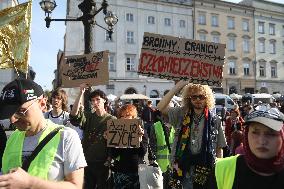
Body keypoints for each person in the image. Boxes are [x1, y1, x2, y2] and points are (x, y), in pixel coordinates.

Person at [0, 79, 86, 189]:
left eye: (20, 111)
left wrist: (31, 183)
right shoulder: (13, 138)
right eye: (8, 113)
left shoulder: (67, 137)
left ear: (42, 103)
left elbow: (76, 186)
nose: (12, 120)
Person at [157, 81, 226, 189]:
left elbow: (219, 147)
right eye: (194, 97)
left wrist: (219, 169)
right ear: (189, 99)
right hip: (182, 170)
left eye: (201, 97)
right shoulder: (181, 114)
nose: (198, 100)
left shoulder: (215, 120)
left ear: (207, 98)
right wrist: (177, 87)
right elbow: (160, 107)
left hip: (206, 171)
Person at [206, 109, 284, 189]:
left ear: (282, 136)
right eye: (255, 132)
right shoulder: (222, 169)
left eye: (270, 134)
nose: (262, 141)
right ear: (246, 134)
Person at [70, 83, 116, 189]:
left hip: (104, 163)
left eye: (98, 99)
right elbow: (73, 116)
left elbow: (115, 144)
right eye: (93, 101)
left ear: (104, 100)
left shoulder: (112, 120)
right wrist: (81, 92)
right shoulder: (88, 116)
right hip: (87, 161)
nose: (95, 102)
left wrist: (110, 158)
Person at [108, 104, 147, 189]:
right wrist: (115, 144)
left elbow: (143, 152)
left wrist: (139, 138)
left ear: (133, 117)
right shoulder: (117, 131)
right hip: (121, 171)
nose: (125, 118)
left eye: (128, 115)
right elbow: (113, 154)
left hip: (137, 171)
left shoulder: (141, 130)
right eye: (122, 116)